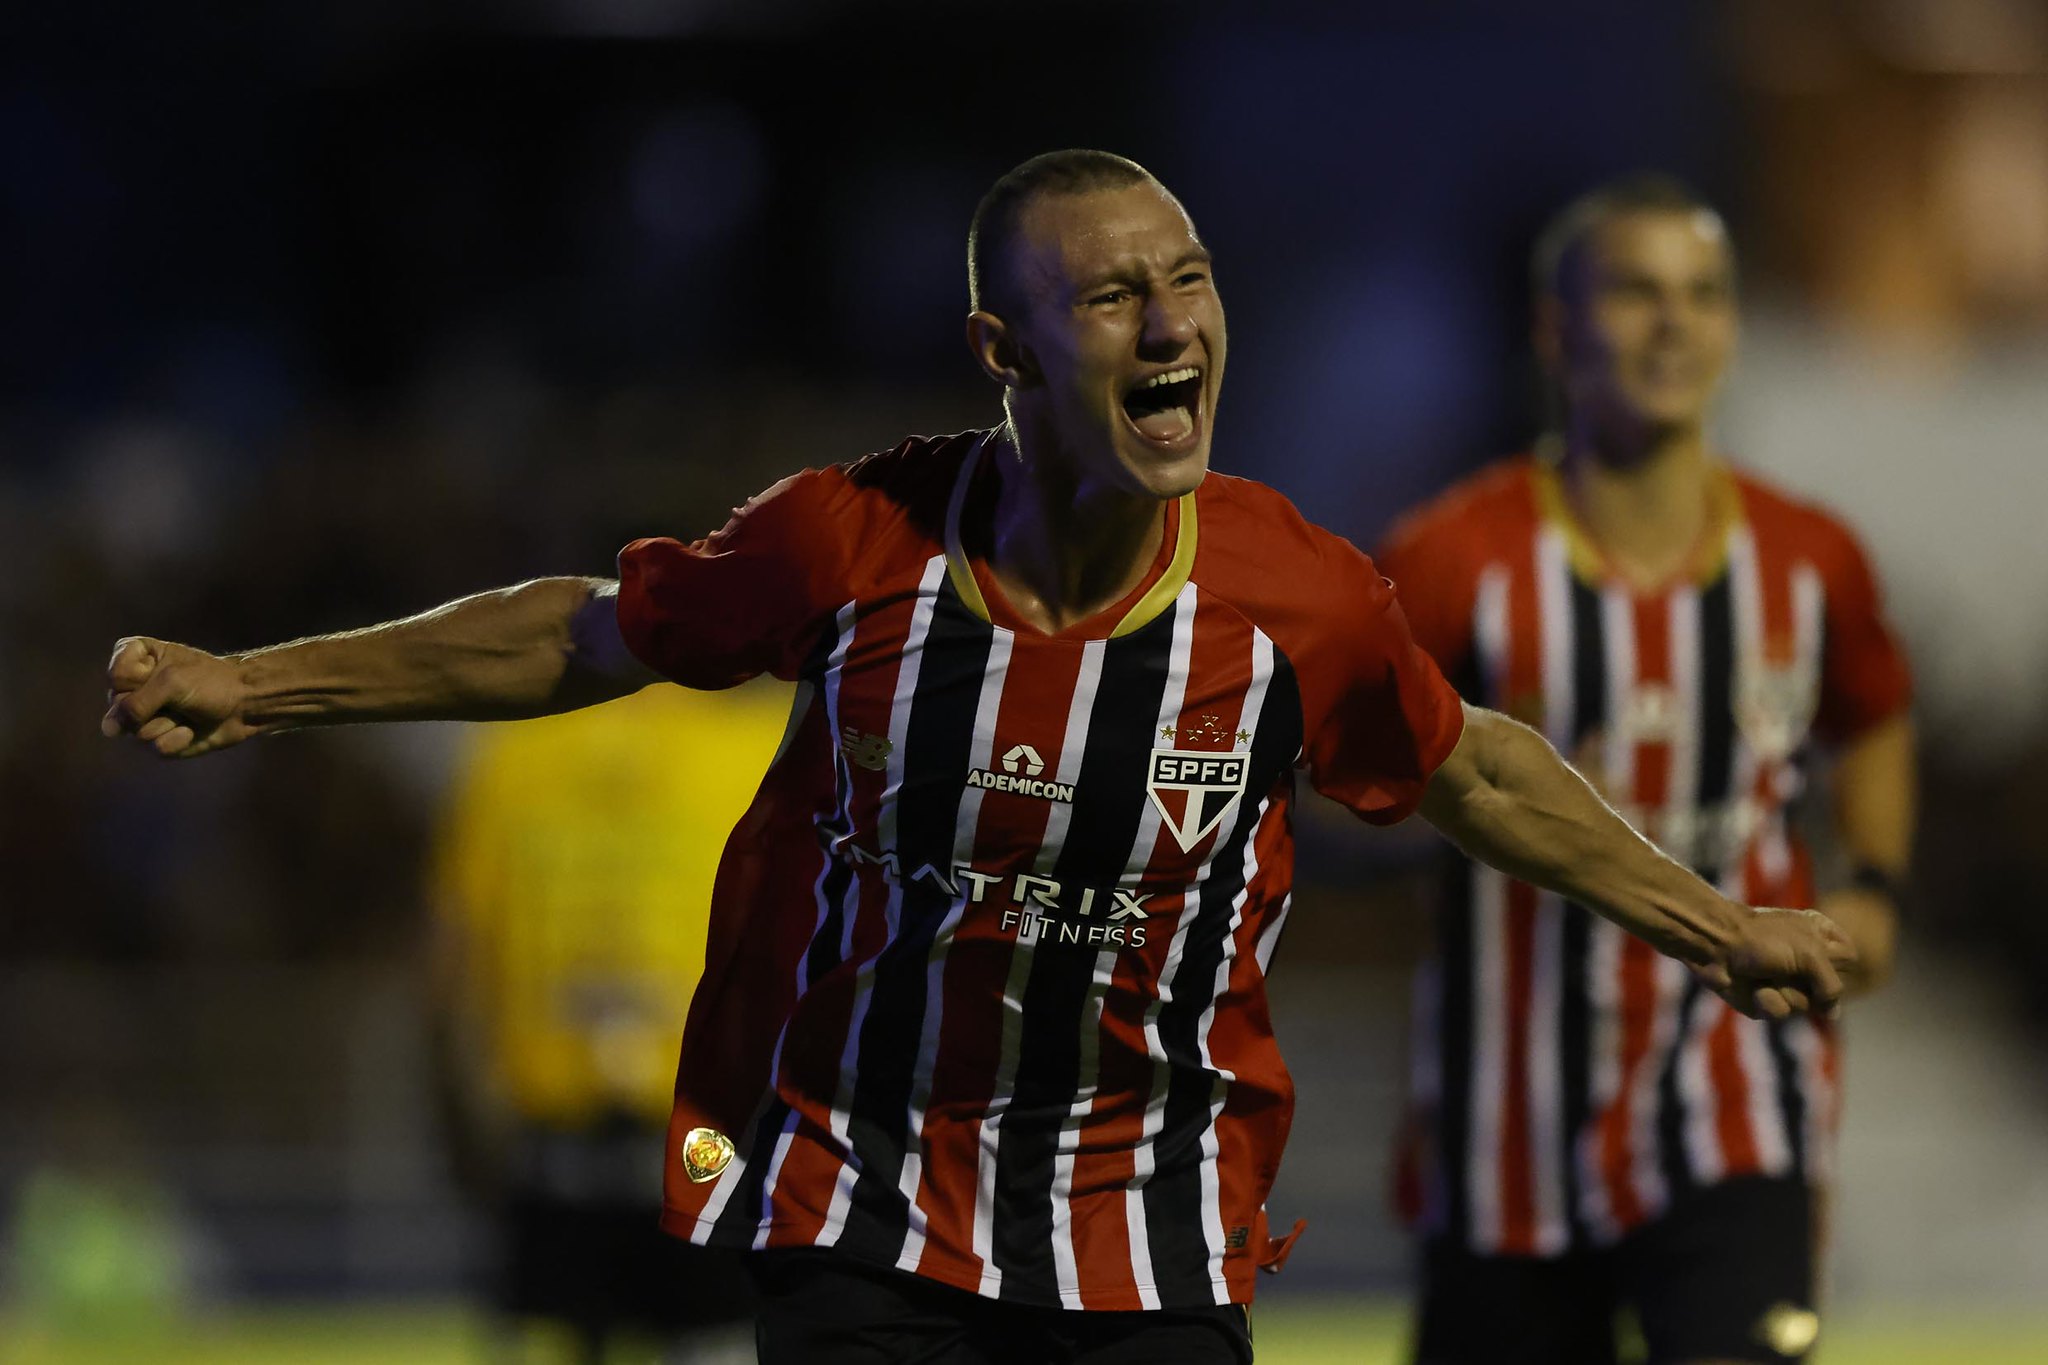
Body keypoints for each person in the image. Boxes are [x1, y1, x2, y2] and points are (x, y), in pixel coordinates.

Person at [102, 150, 1855, 1365]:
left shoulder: (1290, 599)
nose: (1171, 327)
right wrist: (256, 683)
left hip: (1146, 1214)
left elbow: (1465, 768)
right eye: (1109, 299)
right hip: (853, 1191)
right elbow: (576, 634)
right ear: (1001, 356)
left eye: (1187, 280)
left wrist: (1720, 927)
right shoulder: (847, 546)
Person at [1377, 176, 1915, 1365]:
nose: (1671, 323)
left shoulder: (1808, 558)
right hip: (1503, 1117)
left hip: (1738, 1088)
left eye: (1701, 294)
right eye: (1632, 291)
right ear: (1553, 329)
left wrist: (1872, 880)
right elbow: (1351, 779)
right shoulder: (1451, 558)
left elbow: (1873, 715)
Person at [429, 682, 789, 1362]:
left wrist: (467, 1131)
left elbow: (454, 957)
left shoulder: (510, 753)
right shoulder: (768, 746)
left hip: (550, 1163)